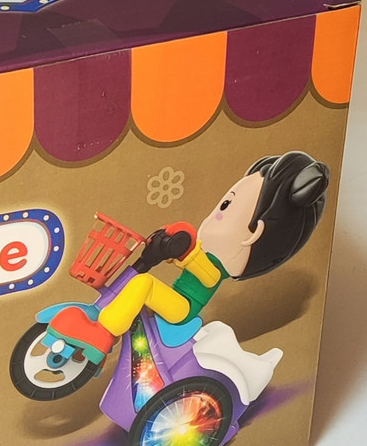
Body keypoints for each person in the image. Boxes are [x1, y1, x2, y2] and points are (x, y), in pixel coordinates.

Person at [47, 151, 330, 363]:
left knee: (143, 285)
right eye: (223, 204)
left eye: (226, 208)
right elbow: (188, 258)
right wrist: (166, 248)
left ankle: (104, 333)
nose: (216, 213)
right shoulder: (206, 252)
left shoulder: (216, 269)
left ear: (254, 233)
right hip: (177, 298)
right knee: (138, 286)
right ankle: (103, 325)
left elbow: (206, 277)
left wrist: (186, 253)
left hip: (184, 310)